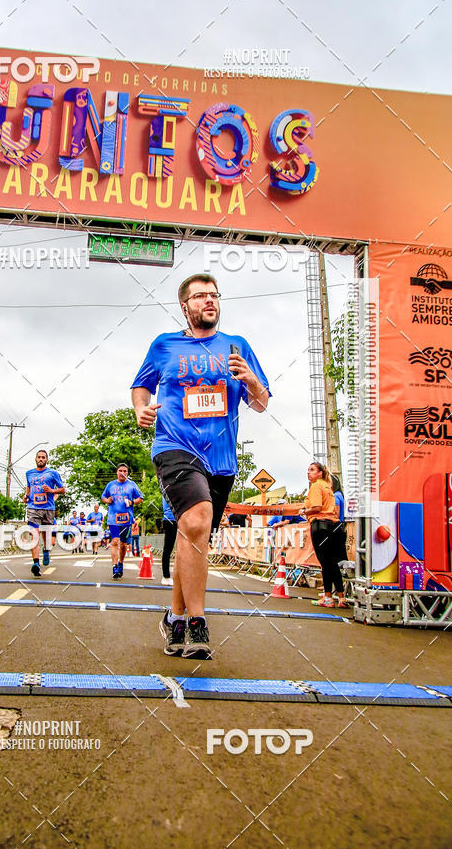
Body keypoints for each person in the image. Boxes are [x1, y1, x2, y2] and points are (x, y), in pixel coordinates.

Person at [132, 273, 270, 658]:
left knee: (194, 536)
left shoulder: (237, 346)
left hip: (221, 458)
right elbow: (140, 386)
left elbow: (260, 402)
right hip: (174, 445)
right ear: (185, 306)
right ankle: (197, 622)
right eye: (199, 296)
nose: (209, 301)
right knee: (196, 520)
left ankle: (174, 616)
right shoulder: (164, 346)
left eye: (213, 295)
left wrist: (252, 380)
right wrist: (141, 407)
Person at [303, 461, 347, 608]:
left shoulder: (316, 486)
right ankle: (341, 597)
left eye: (312, 470)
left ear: (320, 473)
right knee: (332, 562)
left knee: (325, 562)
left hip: (320, 525)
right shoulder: (328, 487)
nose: (308, 472)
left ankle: (328, 596)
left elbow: (316, 507)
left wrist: (304, 511)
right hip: (331, 525)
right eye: (308, 470)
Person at [24, 450, 65, 576]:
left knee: (46, 537)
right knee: (34, 535)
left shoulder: (53, 473)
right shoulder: (29, 473)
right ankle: (36, 563)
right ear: (36, 459)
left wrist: (52, 490)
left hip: (48, 508)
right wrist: (26, 496)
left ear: (47, 460)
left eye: (43, 457)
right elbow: (29, 487)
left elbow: (63, 490)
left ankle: (46, 550)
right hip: (33, 507)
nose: (41, 459)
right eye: (39, 457)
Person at [101, 463, 143, 578]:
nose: (122, 473)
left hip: (126, 519)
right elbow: (103, 497)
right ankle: (114, 567)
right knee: (115, 541)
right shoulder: (111, 485)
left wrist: (132, 502)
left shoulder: (132, 485)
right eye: (120, 470)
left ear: (127, 473)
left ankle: (121, 563)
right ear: (117, 472)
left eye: (125, 471)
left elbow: (141, 498)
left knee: (124, 544)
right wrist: (107, 500)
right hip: (113, 519)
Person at [161, 497, 177, 586]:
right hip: (171, 519)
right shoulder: (170, 487)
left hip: (177, 518)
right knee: (168, 548)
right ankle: (166, 576)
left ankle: (168, 576)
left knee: (169, 549)